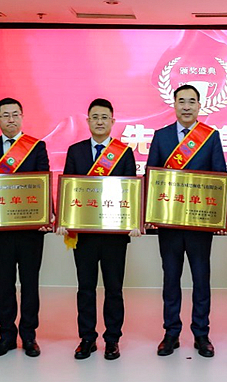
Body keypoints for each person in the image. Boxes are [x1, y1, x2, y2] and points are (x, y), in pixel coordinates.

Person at [147, 84, 227, 358]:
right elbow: (151, 177)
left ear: (199, 105)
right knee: (171, 279)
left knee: (201, 279)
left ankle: (201, 333)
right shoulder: (161, 137)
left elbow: (219, 177)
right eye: (181, 101)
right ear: (174, 104)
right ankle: (171, 333)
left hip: (199, 225)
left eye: (192, 101)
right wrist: (150, 213)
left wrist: (219, 216)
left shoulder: (211, 137)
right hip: (169, 224)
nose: (186, 106)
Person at [57, 98, 138, 361]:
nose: (100, 122)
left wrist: (134, 221)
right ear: (88, 121)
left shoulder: (124, 152)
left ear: (113, 121)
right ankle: (87, 338)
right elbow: (69, 188)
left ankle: (112, 339)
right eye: (95, 117)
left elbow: (131, 190)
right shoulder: (76, 151)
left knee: (114, 288)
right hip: (85, 235)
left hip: (115, 236)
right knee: (86, 287)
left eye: (104, 117)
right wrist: (64, 219)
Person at [0, 97, 49, 358]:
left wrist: (46, 215)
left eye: (15, 114)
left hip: (30, 231)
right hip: (0, 231)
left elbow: (43, 183)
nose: (11, 119)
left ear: (22, 117)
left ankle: (29, 336)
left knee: (30, 284)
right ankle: (6, 336)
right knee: (4, 284)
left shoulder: (36, 147)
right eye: (5, 115)